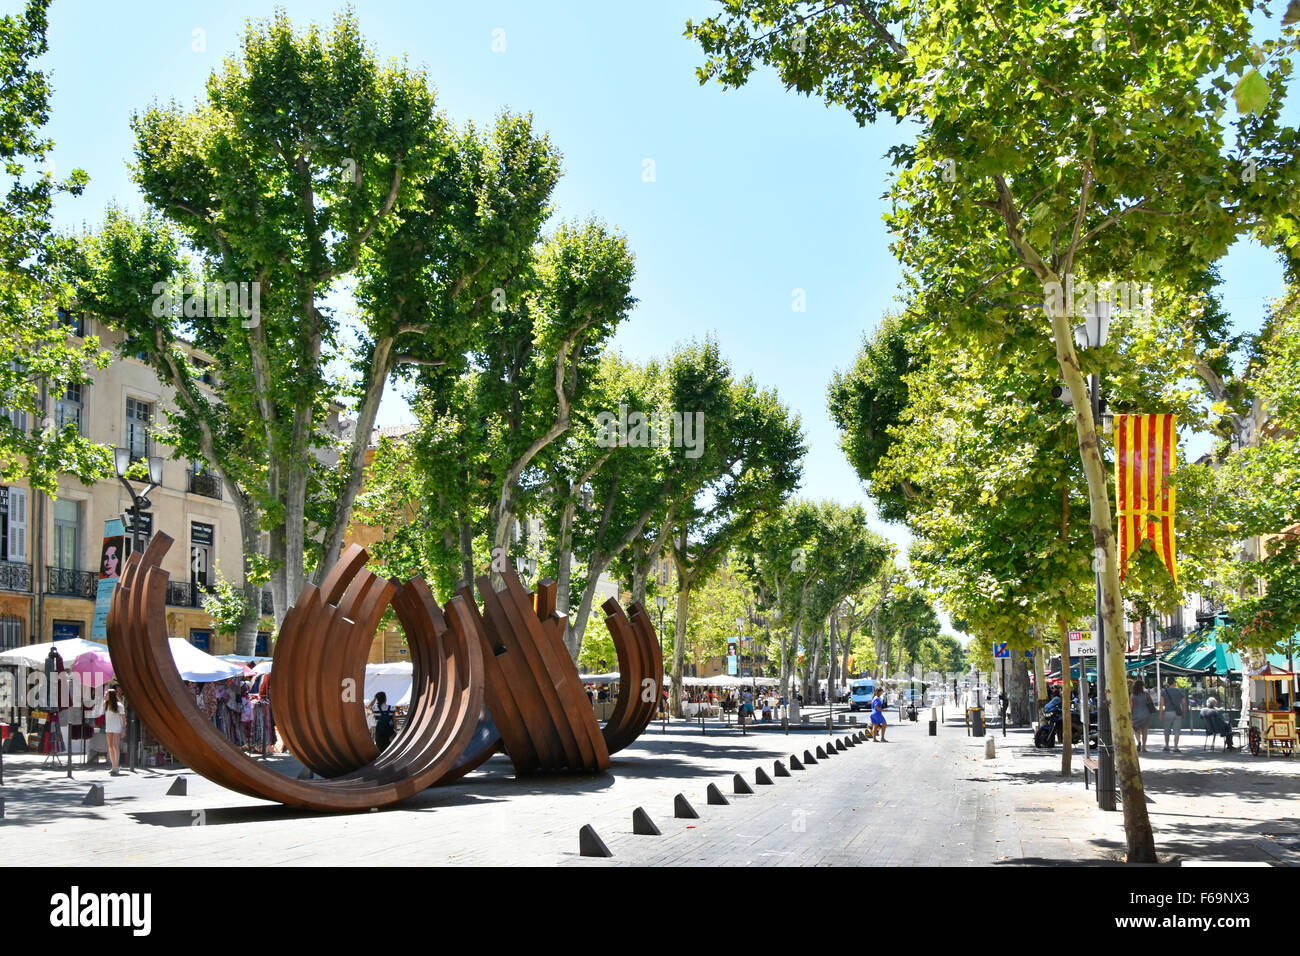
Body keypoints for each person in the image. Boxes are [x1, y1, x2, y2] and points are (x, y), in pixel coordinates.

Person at [1160, 676, 1186, 752]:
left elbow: (1161, 704)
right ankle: (1175, 747)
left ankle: (1167, 746)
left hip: (1167, 712)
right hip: (1177, 713)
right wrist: (1184, 713)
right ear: (1174, 683)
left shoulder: (1164, 692)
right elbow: (1184, 703)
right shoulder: (1179, 691)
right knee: (1177, 731)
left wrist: (1161, 714)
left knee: (1166, 730)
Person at [103, 687, 125, 775]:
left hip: (116, 728)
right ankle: (113, 765)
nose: (105, 696)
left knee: (115, 746)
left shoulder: (119, 706)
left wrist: (123, 730)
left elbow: (124, 719)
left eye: (107, 694)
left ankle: (116, 765)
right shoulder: (106, 704)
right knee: (110, 746)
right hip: (109, 727)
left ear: (110, 696)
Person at [1130, 679, 1156, 752]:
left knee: (1136, 730)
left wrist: (1130, 715)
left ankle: (1138, 741)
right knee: (1145, 731)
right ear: (1142, 686)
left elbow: (1131, 707)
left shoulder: (1132, 695)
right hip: (1146, 715)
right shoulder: (1146, 694)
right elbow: (1151, 703)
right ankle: (1144, 747)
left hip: (1136, 715)